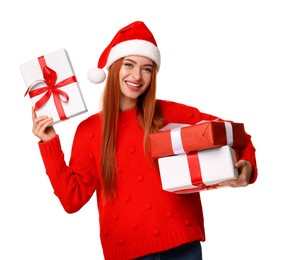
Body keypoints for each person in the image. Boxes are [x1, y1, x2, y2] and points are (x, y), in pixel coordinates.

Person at [32, 21, 257, 260]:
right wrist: (49, 143)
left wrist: (247, 163)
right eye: (129, 64)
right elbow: (72, 200)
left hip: (183, 247)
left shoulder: (171, 113)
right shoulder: (89, 131)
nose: (137, 76)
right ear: (114, 67)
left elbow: (236, 135)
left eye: (147, 68)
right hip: (127, 253)